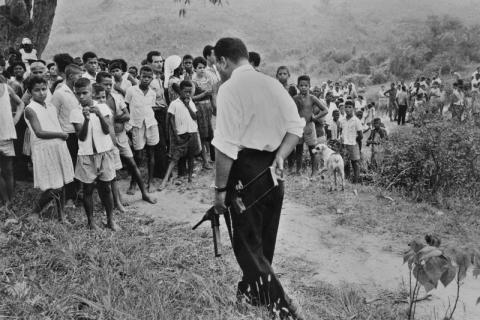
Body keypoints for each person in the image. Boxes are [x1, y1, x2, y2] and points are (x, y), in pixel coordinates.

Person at [212, 37, 305, 319]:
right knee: (263, 243)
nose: (218, 70)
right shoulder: (272, 84)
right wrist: (281, 155)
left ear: (223, 61)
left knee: (246, 246)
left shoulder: (230, 89)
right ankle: (250, 295)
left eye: (217, 65)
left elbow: (225, 147)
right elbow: (295, 128)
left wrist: (219, 191)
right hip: (273, 172)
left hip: (246, 173)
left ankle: (284, 308)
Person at [96, 72, 156, 204]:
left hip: (121, 135)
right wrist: (111, 120)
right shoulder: (96, 102)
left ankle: (144, 193)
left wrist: (111, 118)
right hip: (105, 138)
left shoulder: (116, 97)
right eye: (105, 84)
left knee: (132, 163)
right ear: (98, 84)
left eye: (110, 84)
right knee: (112, 171)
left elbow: (127, 116)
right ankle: (117, 201)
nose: (108, 87)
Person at [71, 78, 118, 231]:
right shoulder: (75, 111)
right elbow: (81, 137)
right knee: (88, 189)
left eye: (85, 93)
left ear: (92, 92)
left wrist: (98, 115)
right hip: (86, 154)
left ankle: (111, 220)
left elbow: (107, 130)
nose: (81, 97)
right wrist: (85, 120)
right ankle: (91, 222)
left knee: (106, 188)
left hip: (104, 152)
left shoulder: (103, 108)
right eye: (78, 94)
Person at [24, 76, 74, 222]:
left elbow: (54, 124)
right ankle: (35, 211)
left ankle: (61, 215)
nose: (41, 93)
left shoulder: (50, 106)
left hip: (58, 146)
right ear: (30, 91)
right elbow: (39, 132)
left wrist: (60, 136)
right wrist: (60, 134)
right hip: (44, 149)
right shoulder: (30, 109)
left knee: (62, 182)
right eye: (37, 90)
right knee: (54, 186)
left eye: (44, 89)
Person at [51, 63, 83, 206]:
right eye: (79, 75)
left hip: (81, 133)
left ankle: (77, 194)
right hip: (67, 135)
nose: (81, 78)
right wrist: (59, 134)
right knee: (69, 167)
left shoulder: (79, 91)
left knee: (79, 165)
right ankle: (69, 197)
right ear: (71, 76)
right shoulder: (60, 92)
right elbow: (53, 115)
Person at [160, 80, 201, 189]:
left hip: (192, 133)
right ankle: (164, 180)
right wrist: (175, 135)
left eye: (189, 91)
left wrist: (187, 105)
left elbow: (195, 117)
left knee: (191, 157)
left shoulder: (190, 101)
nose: (188, 94)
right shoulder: (174, 103)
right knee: (175, 158)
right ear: (180, 91)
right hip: (181, 134)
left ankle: (190, 179)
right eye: (185, 91)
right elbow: (170, 119)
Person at [125, 66, 159, 192]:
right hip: (136, 125)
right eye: (144, 76)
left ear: (152, 79)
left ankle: (150, 182)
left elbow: (151, 108)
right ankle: (133, 183)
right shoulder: (131, 90)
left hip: (151, 125)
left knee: (151, 154)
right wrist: (127, 125)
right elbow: (127, 107)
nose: (146, 79)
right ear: (139, 76)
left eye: (149, 77)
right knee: (138, 156)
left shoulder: (152, 93)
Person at [291, 75, 328, 175]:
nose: (303, 87)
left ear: (309, 86)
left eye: (305, 85)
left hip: (309, 126)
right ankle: (298, 170)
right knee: (298, 149)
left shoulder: (312, 98)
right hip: (298, 127)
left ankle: (314, 172)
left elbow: (325, 110)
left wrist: (315, 117)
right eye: (301, 85)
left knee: (313, 150)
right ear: (298, 86)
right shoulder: (295, 98)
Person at [0, 75, 24, 214]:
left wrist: (15, 120)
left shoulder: (6, 87)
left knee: (8, 170)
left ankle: (11, 200)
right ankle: (5, 201)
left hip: (6, 136)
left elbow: (21, 104)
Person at [192, 56, 214, 170]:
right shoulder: (193, 81)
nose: (202, 69)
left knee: (210, 134)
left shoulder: (207, 78)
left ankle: (210, 157)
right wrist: (205, 93)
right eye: (199, 67)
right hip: (199, 108)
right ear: (195, 69)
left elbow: (212, 94)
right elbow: (192, 98)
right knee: (202, 135)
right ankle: (205, 160)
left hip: (208, 108)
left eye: (203, 67)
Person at [340, 100, 363, 183]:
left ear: (353, 108)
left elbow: (361, 135)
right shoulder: (342, 120)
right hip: (344, 145)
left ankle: (356, 181)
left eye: (350, 107)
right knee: (345, 163)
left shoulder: (356, 120)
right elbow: (341, 130)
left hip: (353, 144)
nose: (347, 109)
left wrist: (354, 140)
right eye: (346, 107)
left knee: (355, 163)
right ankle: (347, 179)